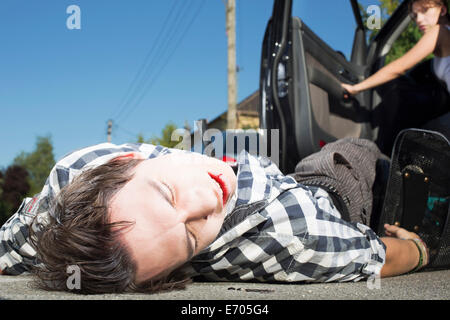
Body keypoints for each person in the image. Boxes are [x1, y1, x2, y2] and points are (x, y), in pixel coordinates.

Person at [0, 140, 429, 294]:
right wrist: (419, 249)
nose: (206, 203)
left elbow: (15, 239)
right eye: (189, 237)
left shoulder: (79, 171)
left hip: (270, 175)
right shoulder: (294, 234)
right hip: (329, 191)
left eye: (168, 194)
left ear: (129, 159)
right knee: (356, 147)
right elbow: (377, 257)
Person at [342, 0, 450, 154]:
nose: (419, 19)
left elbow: (399, 68)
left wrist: (356, 88)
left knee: (416, 144)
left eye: (425, 10)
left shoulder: (439, 31)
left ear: (443, 10)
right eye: (415, 15)